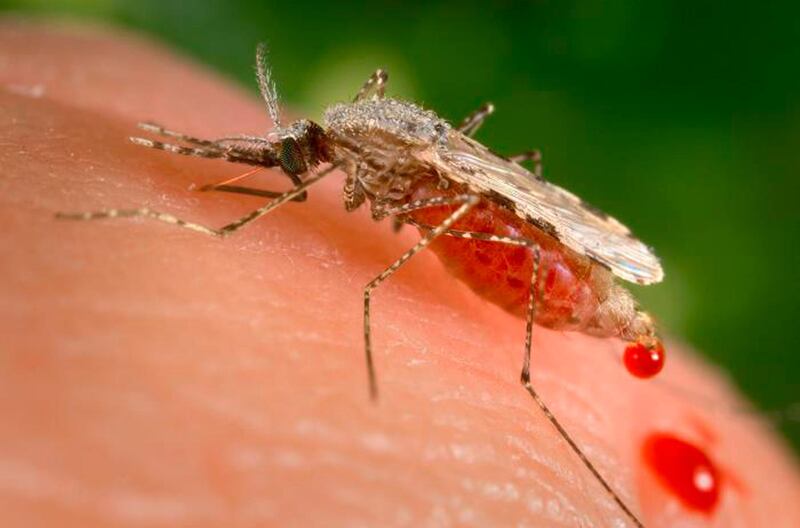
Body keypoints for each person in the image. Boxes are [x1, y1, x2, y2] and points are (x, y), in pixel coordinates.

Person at [2, 19, 798, 527]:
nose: (298, 162)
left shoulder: (360, 144)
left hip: (526, 246)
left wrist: (378, 288)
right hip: (471, 198)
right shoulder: (349, 130)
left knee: (465, 217)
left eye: (298, 157)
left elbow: (427, 169)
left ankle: (527, 381)